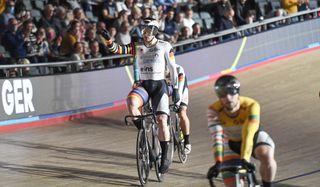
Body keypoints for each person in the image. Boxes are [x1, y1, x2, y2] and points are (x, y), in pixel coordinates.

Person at [100, 17, 180, 174]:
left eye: (148, 30)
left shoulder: (165, 46)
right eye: (143, 30)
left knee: (162, 120)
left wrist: (175, 88)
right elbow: (117, 50)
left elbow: (172, 68)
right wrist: (108, 39)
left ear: (155, 31)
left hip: (159, 86)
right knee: (130, 102)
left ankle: (164, 155)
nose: (145, 33)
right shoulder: (137, 46)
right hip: (144, 85)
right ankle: (146, 143)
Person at [206, 75, 277, 187]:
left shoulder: (251, 105)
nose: (228, 98)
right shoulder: (213, 110)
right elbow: (217, 138)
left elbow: (248, 134)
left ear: (237, 92)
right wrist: (218, 162)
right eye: (223, 94)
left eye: (231, 92)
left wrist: (245, 159)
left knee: (265, 154)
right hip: (231, 142)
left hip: (254, 138)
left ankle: (268, 185)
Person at [168, 64, 192, 155]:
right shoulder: (157, 68)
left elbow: (180, 90)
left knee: (182, 112)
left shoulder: (178, 69)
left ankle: (187, 141)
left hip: (180, 88)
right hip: (168, 88)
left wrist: (177, 104)